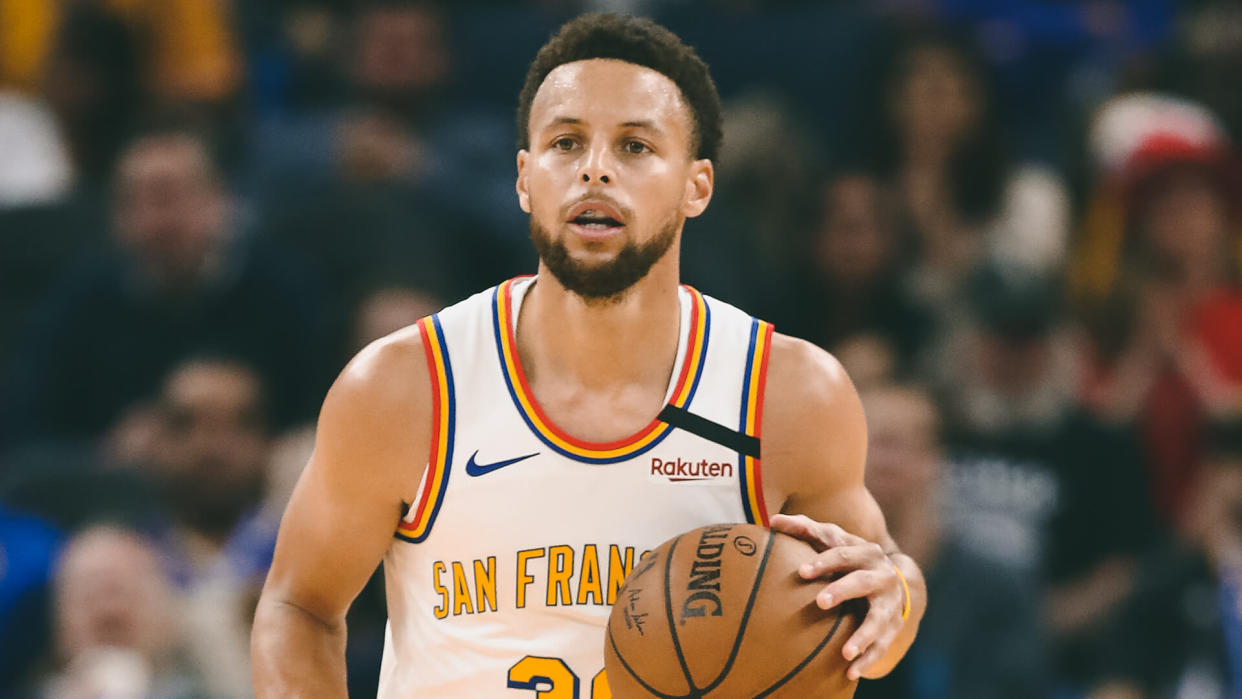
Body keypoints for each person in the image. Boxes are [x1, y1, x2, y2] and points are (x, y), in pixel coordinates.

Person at [251, 14, 926, 697]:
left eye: (634, 146)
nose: (594, 168)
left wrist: (895, 592)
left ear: (697, 186)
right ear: (523, 178)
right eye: (566, 142)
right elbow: (297, 605)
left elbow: (885, 582)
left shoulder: (787, 394)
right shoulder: (406, 386)